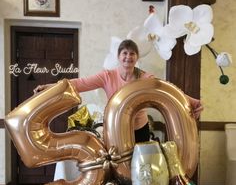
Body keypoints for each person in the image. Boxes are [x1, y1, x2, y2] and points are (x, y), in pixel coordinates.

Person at [34, 39, 203, 142]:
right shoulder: (107, 76)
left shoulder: (145, 78)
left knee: (138, 170)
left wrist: (193, 101)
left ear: (137, 57)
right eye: (124, 53)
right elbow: (79, 83)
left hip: (140, 130)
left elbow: (167, 89)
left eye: (132, 54)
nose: (128, 57)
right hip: (115, 129)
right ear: (118, 56)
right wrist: (50, 87)